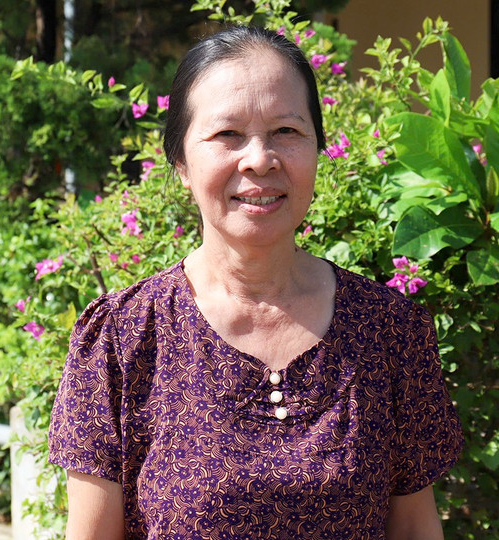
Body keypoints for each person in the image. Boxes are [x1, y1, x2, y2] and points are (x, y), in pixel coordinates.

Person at [48, 25, 463, 540]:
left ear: (317, 149)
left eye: (286, 131)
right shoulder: (122, 338)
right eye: (227, 134)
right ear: (180, 162)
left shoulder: (389, 331)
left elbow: (416, 527)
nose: (260, 159)